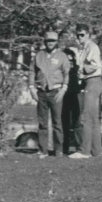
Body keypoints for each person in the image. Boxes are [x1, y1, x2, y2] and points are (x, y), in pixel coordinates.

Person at [28, 28, 69, 158]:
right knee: (42, 123)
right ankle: (43, 150)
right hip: (41, 92)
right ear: (45, 41)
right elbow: (32, 71)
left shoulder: (62, 56)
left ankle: (58, 150)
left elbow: (66, 73)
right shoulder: (39, 55)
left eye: (53, 41)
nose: (50, 43)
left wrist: (63, 89)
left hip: (56, 92)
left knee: (57, 123)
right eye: (48, 40)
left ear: (56, 42)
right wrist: (31, 88)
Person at [69, 24, 102, 159]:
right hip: (90, 81)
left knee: (86, 117)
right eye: (78, 35)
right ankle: (96, 151)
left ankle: (84, 151)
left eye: (82, 35)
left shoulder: (91, 47)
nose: (79, 37)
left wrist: (81, 70)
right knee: (94, 118)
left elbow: (95, 66)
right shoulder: (83, 48)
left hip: (93, 81)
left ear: (88, 35)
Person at [62, 47, 82, 154]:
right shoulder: (61, 71)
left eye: (71, 60)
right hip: (65, 97)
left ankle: (79, 147)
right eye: (67, 60)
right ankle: (64, 148)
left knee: (77, 123)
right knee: (64, 123)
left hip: (75, 96)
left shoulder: (76, 70)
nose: (70, 63)